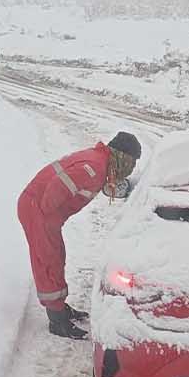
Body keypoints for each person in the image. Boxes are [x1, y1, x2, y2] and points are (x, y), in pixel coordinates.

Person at [17, 131, 143, 339]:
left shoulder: (100, 162)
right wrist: (50, 219)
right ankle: (57, 321)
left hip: (41, 212)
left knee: (56, 257)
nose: (131, 169)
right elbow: (54, 193)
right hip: (38, 210)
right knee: (49, 261)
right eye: (132, 162)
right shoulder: (94, 167)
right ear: (123, 157)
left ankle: (58, 308)